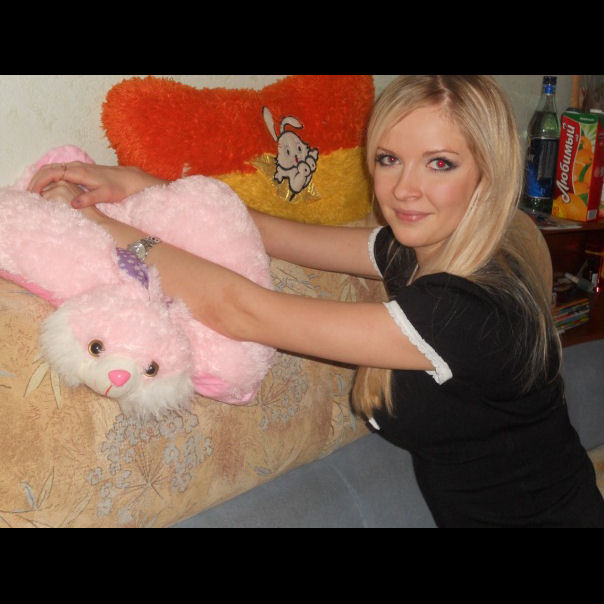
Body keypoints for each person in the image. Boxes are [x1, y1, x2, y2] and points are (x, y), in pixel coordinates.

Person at [28, 75, 604, 527]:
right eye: (389, 159)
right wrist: (138, 186)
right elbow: (276, 234)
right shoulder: (429, 246)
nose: (404, 189)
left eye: (440, 163)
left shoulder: (464, 313)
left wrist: (113, 232)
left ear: (488, 172)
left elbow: (242, 311)